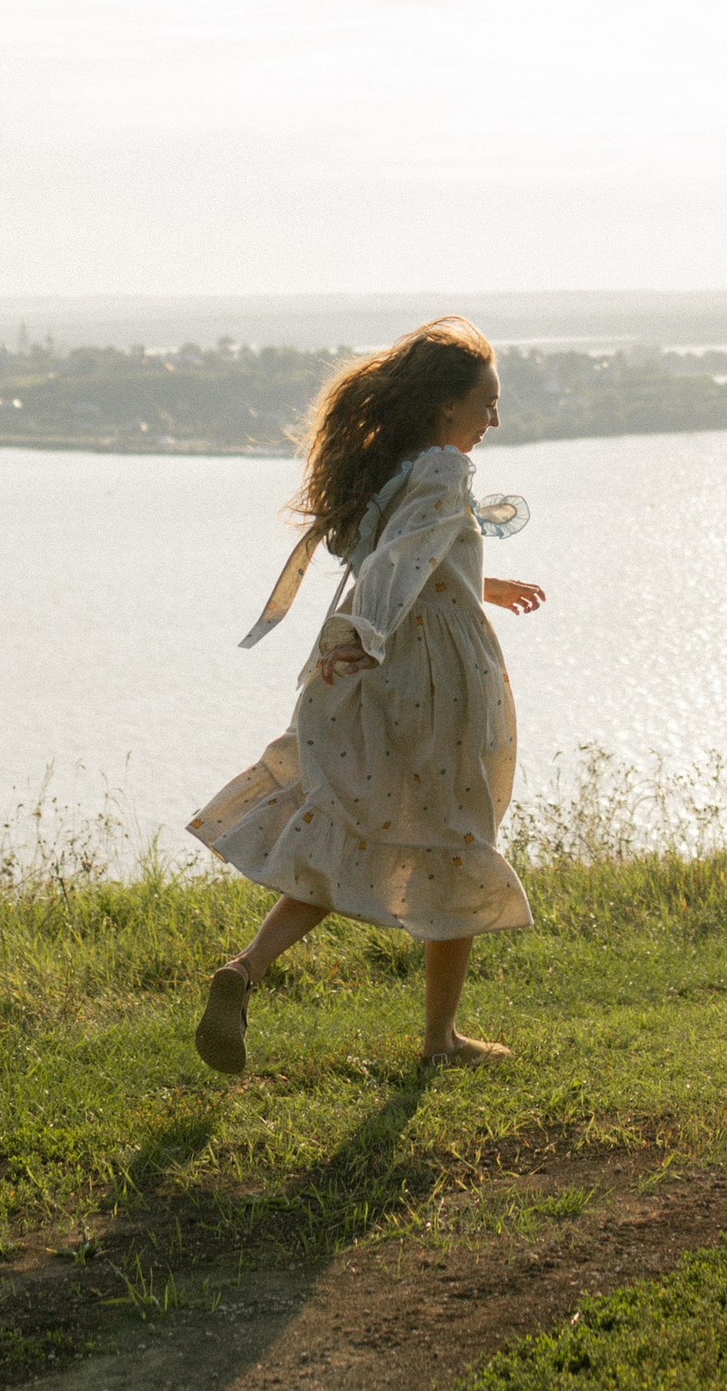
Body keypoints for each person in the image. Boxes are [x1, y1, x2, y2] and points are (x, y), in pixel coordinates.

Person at [186, 316, 545, 1073]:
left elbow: (394, 550)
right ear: (447, 407)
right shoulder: (445, 469)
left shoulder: (396, 467)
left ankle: (244, 969)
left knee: (347, 821)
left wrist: (476, 582)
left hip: (366, 671)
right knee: (455, 836)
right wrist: (368, 633)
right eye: (487, 402)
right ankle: (441, 1040)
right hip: (428, 673)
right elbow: (396, 566)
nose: (495, 419)